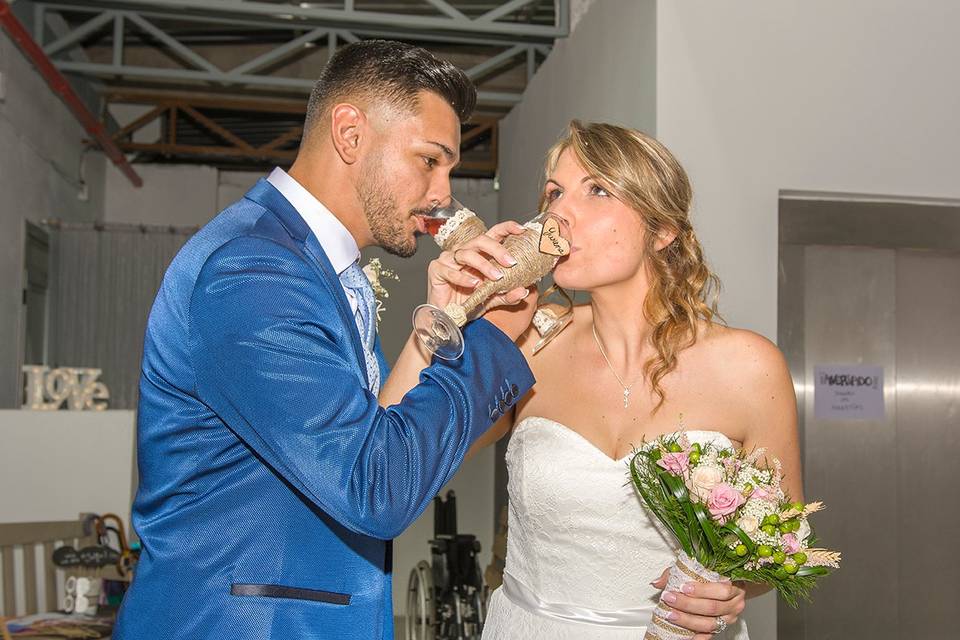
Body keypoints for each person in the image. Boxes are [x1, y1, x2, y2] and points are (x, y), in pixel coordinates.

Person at [113, 40, 536, 640]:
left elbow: (370, 437)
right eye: (429, 160)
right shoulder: (254, 272)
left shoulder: (308, 264)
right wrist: (493, 340)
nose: (444, 193)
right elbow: (375, 487)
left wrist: (437, 330)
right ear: (350, 133)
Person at [383, 121, 802, 639]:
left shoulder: (750, 367)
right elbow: (394, 460)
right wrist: (439, 321)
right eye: (554, 192)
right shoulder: (526, 344)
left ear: (663, 228)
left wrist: (730, 589)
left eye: (597, 190)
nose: (557, 212)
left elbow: (775, 546)